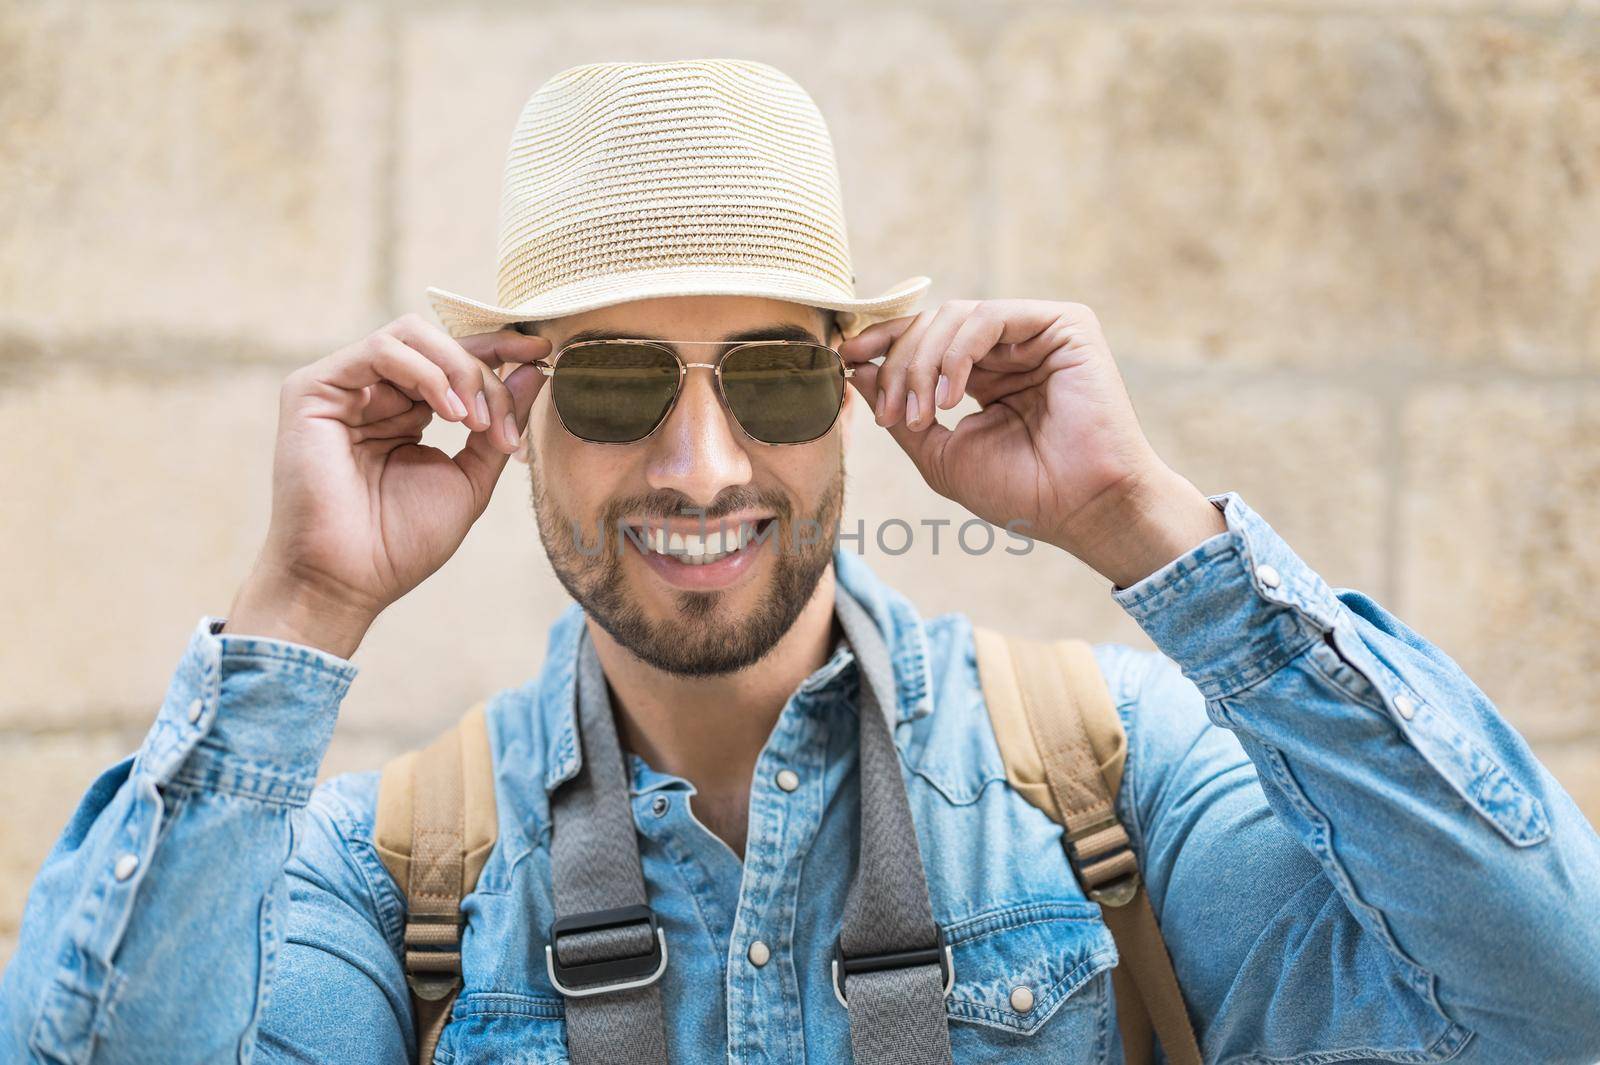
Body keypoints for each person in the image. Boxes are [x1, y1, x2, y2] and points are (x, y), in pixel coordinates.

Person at [3, 58, 1598, 1065]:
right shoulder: (395, 878)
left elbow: (1548, 1003)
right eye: (622, 381)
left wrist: (1146, 523)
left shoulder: (1113, 784)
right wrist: (306, 610)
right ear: (512, 411)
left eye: (769, 374)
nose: (702, 464)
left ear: (853, 396)